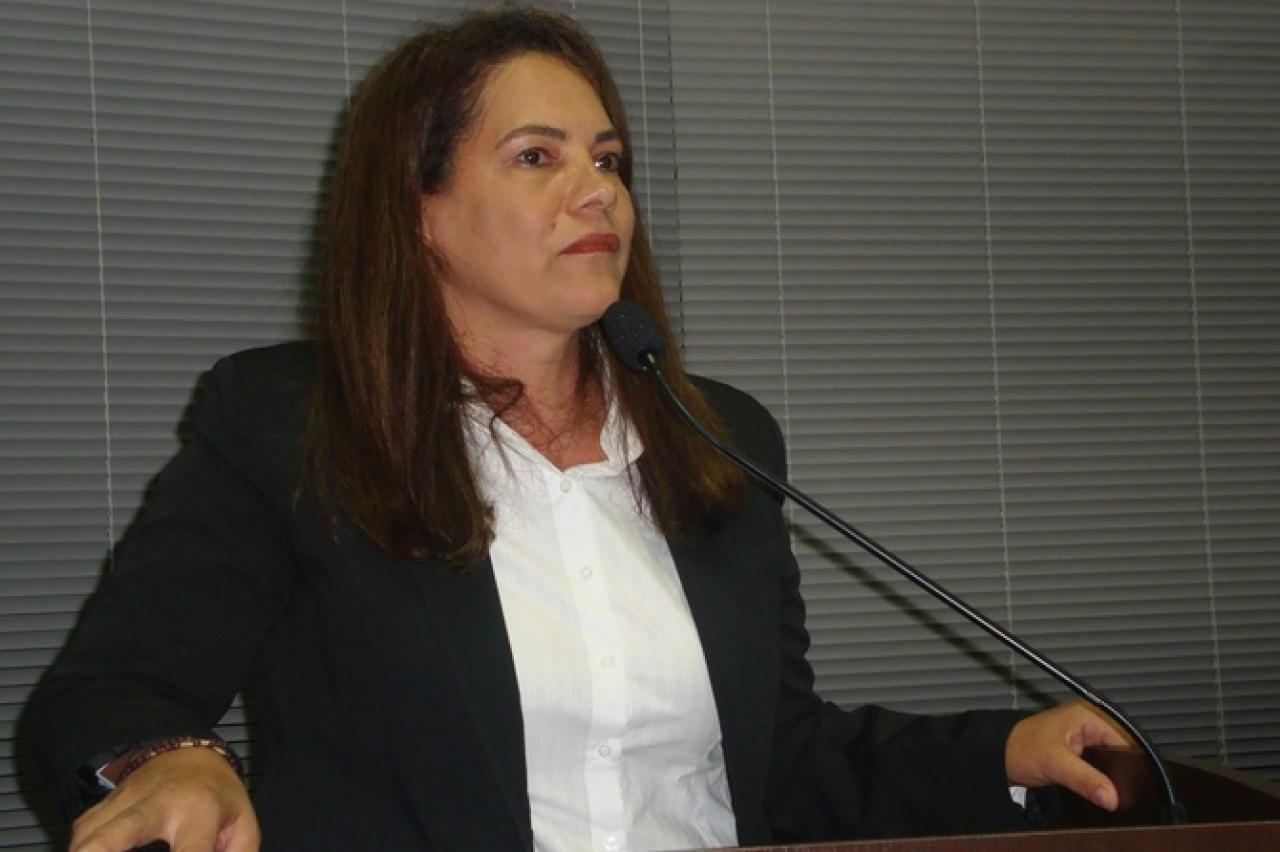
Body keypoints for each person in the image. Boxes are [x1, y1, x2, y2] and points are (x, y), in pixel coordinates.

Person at [29, 7, 1130, 852]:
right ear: (418, 210)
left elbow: (777, 757)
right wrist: (168, 760)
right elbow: (106, 694)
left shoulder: (719, 439)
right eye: (536, 157)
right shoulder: (292, 425)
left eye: (606, 159)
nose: (595, 191)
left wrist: (1001, 753)